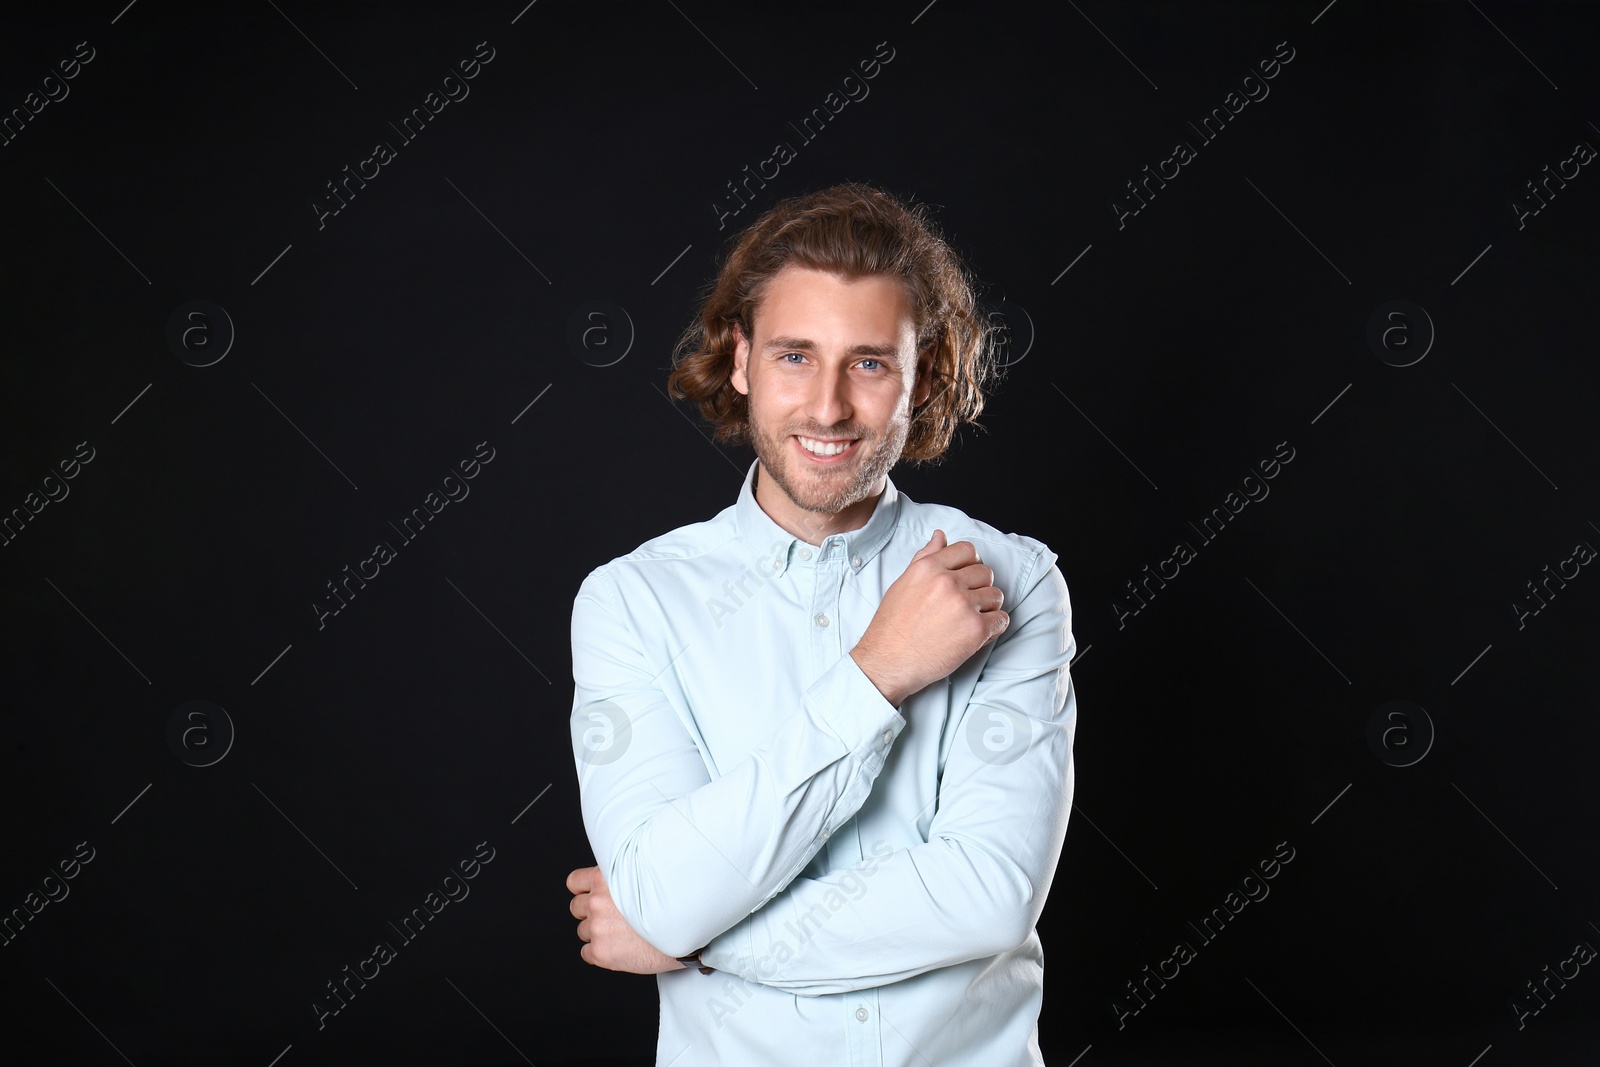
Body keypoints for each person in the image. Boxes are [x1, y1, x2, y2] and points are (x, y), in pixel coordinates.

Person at [566, 181, 1077, 1066]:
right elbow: (659, 885)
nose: (830, 407)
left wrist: (696, 937)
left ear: (929, 375)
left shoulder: (1014, 580)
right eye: (796, 355)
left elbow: (990, 893)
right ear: (741, 360)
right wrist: (878, 672)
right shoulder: (632, 601)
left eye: (870, 362)